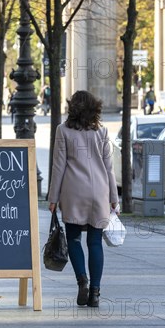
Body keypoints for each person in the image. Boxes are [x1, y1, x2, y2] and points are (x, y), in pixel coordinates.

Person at [48, 90, 119, 308]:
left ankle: (82, 280)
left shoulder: (63, 131)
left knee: (74, 239)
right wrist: (114, 196)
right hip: (99, 191)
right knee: (95, 242)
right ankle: (96, 292)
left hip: (74, 191)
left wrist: (53, 197)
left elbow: (59, 166)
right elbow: (109, 167)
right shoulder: (102, 131)